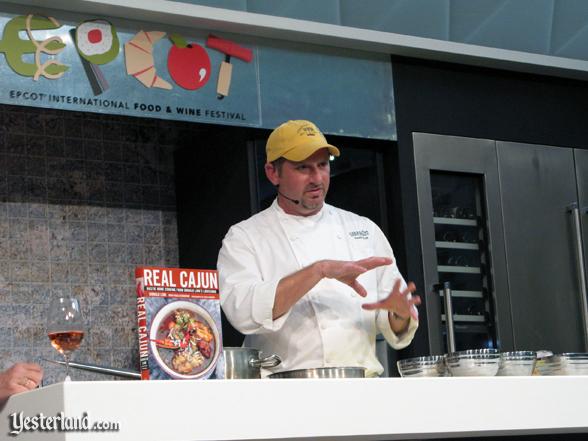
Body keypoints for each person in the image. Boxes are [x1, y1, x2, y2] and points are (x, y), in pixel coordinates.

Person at [218, 120, 421, 377]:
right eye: (303, 167)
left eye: (322, 165)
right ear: (273, 173)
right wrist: (318, 271)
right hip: (286, 393)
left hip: (361, 387)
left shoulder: (363, 230)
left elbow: (393, 325)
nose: (316, 178)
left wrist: (399, 314)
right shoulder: (245, 237)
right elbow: (244, 314)